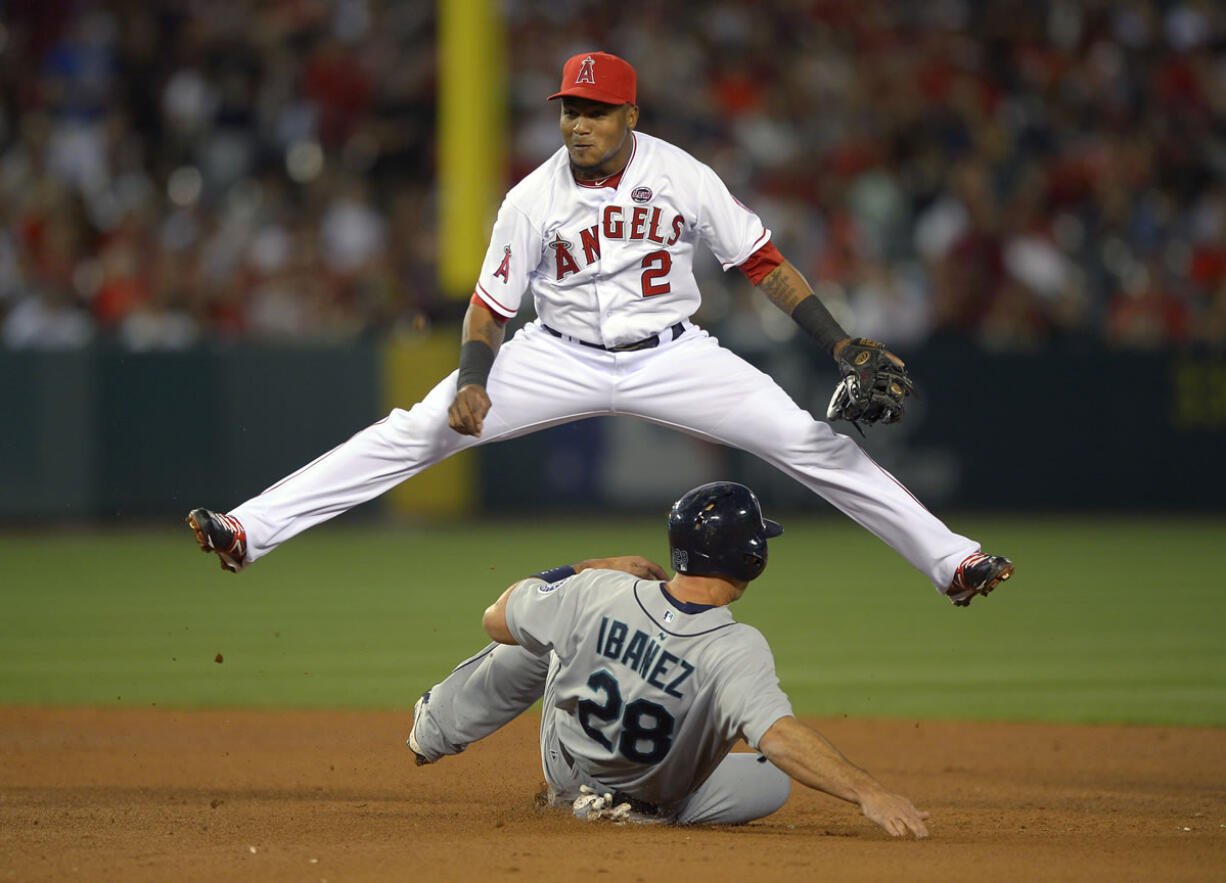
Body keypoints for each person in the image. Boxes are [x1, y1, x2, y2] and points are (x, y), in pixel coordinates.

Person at [186, 51, 1012, 606]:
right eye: (569, 108)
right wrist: (473, 378)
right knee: (414, 431)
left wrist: (839, 341)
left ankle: (953, 560)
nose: (577, 122)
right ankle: (248, 528)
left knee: (810, 443)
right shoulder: (530, 198)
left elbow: (761, 261)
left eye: (595, 109)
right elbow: (489, 305)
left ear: (630, 115)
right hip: (555, 356)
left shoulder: (682, 174)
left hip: (676, 355)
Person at [407, 481, 931, 836]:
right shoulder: (735, 647)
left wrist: (592, 565)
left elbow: (495, 619)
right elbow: (779, 737)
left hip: (566, 768)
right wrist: (867, 792)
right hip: (657, 794)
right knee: (774, 774)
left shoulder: (598, 590)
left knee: (537, 634)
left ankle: (434, 727)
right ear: (751, 558)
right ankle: (630, 812)